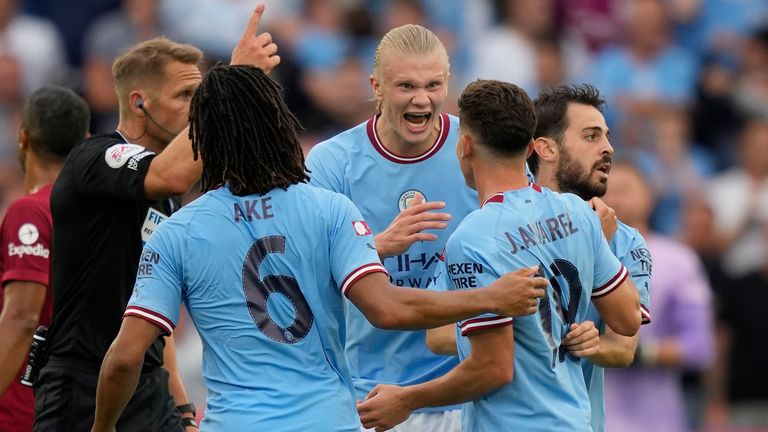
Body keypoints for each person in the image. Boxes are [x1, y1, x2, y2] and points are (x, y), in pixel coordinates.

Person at [91, 64, 548, 431]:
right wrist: (490, 297)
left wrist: (103, 427)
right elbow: (387, 309)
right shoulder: (328, 209)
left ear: (202, 138)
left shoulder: (179, 230)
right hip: (327, 418)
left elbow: (126, 357)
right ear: (278, 122)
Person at [34, 4, 281, 431]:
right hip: (82, 385)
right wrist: (231, 87)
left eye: (200, 96)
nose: (196, 108)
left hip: (147, 385)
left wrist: (183, 408)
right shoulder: (97, 157)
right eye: (186, 96)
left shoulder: (164, 194)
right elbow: (170, 174)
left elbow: (154, 311)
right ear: (139, 103)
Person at [357, 79, 641, 431]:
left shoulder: (474, 238)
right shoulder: (577, 212)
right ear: (529, 148)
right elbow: (628, 320)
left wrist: (407, 399)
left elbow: (492, 369)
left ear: (465, 146)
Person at [305, 23, 477, 432]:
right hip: (370, 394)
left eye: (434, 84)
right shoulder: (331, 162)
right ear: (376, 86)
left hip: (466, 391)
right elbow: (301, 269)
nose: (422, 99)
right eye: (406, 86)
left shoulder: (475, 146)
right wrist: (375, 246)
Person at [528, 84, 652, 432]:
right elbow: (443, 337)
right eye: (591, 136)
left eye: (607, 136)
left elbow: (623, 349)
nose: (608, 147)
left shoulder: (626, 241)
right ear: (546, 148)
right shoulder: (499, 224)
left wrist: (591, 345)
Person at [0, 86, 89, 432]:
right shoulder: (100, 212)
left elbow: (22, 317)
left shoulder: (32, 212)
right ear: (85, 139)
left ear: (23, 137)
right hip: (74, 404)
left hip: (22, 409)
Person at [602, 163, 714, 432]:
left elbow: (700, 347)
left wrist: (639, 351)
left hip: (657, 420)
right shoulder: (580, 254)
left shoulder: (679, 259)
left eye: (626, 189)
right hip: (592, 418)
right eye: (608, 189)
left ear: (649, 198)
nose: (616, 198)